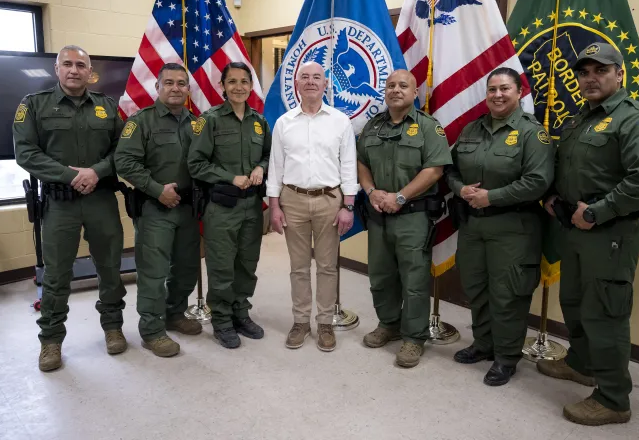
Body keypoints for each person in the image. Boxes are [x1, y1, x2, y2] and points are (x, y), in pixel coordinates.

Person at [539, 43, 639, 425]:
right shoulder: (582, 119)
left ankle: (614, 399)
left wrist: (598, 212)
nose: (591, 78)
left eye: (601, 70)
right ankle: (582, 364)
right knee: (576, 302)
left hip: (610, 233)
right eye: (584, 72)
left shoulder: (635, 120)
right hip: (578, 231)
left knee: (606, 316)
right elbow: (573, 169)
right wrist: (554, 200)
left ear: (619, 74)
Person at [13, 45, 126, 372]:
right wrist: (69, 176)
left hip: (101, 199)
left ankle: (113, 327)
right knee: (57, 274)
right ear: (57, 69)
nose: (74, 70)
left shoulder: (108, 107)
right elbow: (26, 153)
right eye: (67, 64)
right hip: (60, 203)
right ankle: (50, 340)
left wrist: (96, 172)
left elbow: (123, 150)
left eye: (81, 65)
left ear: (90, 71)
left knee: (109, 266)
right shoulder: (34, 106)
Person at [446, 68, 553, 385]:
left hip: (514, 229)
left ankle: (506, 357)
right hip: (473, 227)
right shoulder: (471, 130)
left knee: (508, 296)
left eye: (504, 88)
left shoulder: (533, 133)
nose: (497, 95)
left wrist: (491, 197)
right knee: (477, 289)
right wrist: (461, 190)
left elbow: (538, 182)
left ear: (519, 91)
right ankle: (483, 344)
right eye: (492, 89)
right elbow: (448, 169)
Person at [357, 69, 451, 368]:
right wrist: (371, 192)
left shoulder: (427, 127)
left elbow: (435, 169)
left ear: (415, 94)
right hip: (378, 213)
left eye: (403, 86)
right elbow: (361, 162)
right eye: (390, 85)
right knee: (381, 275)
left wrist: (400, 197)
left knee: (414, 279)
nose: (395, 90)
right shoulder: (373, 126)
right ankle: (389, 324)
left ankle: (414, 337)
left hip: (413, 215)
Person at [267, 61, 357, 352]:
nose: (310, 82)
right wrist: (275, 207)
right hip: (292, 200)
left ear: (326, 84)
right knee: (298, 267)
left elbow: (348, 166)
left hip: (330, 200)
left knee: (328, 267)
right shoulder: (284, 123)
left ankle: (326, 323)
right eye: (304, 77)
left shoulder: (340, 121)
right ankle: (301, 322)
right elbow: (275, 168)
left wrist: (349, 206)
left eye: (316, 77)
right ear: (297, 84)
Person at [114, 63, 202, 357]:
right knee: (154, 272)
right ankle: (151, 330)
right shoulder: (141, 122)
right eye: (169, 83)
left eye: (181, 83)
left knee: (187, 268)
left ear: (188, 89)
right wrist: (156, 190)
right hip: (155, 209)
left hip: (188, 209)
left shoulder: (196, 123)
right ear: (158, 87)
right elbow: (124, 163)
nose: (175, 88)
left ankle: (175, 313)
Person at [187, 62, 271, 349]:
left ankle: (240, 312)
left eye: (244, 81)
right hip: (222, 208)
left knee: (247, 265)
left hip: (252, 208)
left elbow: (270, 155)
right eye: (232, 81)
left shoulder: (259, 121)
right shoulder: (208, 120)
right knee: (222, 266)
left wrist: (261, 167)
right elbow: (195, 164)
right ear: (222, 86)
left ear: (251, 86)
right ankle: (221, 319)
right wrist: (229, 177)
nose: (238, 87)